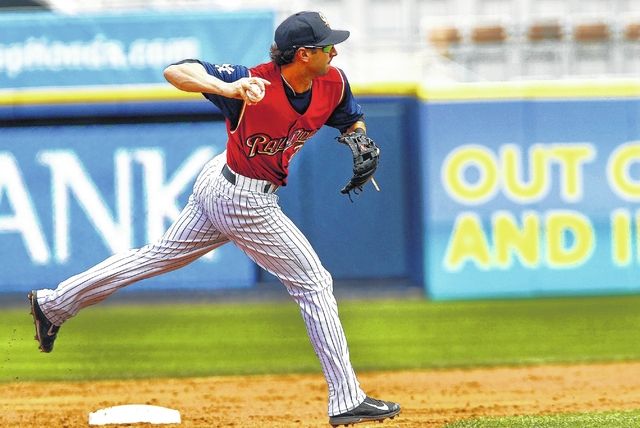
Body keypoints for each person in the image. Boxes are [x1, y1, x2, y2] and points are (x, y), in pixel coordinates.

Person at [28, 11, 400, 426]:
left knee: (155, 256)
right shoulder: (253, 82)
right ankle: (346, 399)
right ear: (303, 54)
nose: (335, 49)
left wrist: (358, 139)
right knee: (314, 282)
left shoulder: (334, 81)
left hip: (223, 183)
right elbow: (176, 71)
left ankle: (53, 304)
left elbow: (349, 118)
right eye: (326, 44)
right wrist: (228, 87)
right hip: (242, 199)